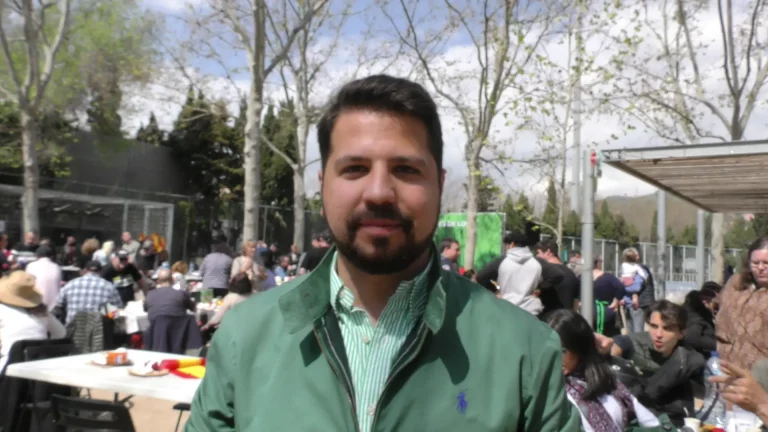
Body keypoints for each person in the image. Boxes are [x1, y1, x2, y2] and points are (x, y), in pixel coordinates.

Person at [186, 75, 578, 431]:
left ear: (439, 187)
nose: (377, 192)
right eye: (354, 168)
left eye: (406, 170)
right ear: (322, 187)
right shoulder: (243, 338)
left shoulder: (526, 351)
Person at [546, 309, 659, 432]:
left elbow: (653, 425)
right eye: (548, 350)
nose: (554, 357)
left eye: (563, 351)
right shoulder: (548, 393)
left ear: (580, 349)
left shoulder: (614, 384)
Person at [597, 300, 705, 426]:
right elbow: (614, 346)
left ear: (681, 333)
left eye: (667, 329)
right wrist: (604, 350)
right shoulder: (634, 342)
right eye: (654, 326)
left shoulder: (689, 359)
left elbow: (701, 401)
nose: (658, 334)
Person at [717, 236, 768, 371]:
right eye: (756, 263)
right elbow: (718, 309)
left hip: (760, 374)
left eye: (766, 263)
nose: (761, 268)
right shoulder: (735, 283)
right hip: (727, 366)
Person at [0, 271, 66, 371]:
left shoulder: (2, 309)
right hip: (39, 365)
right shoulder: (43, 312)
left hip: (8, 366)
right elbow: (61, 333)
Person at [55, 261, 124, 325]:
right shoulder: (109, 286)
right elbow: (118, 308)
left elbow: (58, 304)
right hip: (99, 331)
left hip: (73, 329)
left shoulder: (70, 284)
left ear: (85, 271)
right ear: (101, 271)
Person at [497, 231, 544, 315]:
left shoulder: (503, 263)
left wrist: (497, 289)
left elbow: (482, 276)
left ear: (512, 244)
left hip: (507, 308)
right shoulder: (536, 264)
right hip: (531, 310)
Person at [536, 239, 580, 315]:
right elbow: (576, 301)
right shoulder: (571, 273)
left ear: (548, 252)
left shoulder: (544, 272)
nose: (537, 256)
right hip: (568, 318)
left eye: (538, 253)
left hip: (547, 319)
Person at [591, 255, 625, 337]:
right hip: (607, 311)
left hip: (589, 312)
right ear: (598, 263)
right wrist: (616, 301)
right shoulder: (609, 278)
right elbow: (621, 287)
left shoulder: (582, 277)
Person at [24, 245, 62, 311]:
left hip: (36, 305)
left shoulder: (31, 266)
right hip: (54, 308)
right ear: (51, 256)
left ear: (37, 256)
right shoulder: (57, 267)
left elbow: (26, 284)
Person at [682, 288, 716, 359]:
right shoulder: (695, 317)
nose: (709, 304)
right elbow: (692, 339)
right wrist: (718, 345)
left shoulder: (703, 315)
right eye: (706, 301)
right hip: (701, 358)